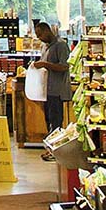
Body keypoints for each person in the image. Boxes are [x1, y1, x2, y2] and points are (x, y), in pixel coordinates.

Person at [33, 22, 72, 161]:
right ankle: (50, 149)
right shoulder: (45, 46)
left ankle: (56, 152)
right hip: (47, 90)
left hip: (57, 90)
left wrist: (45, 64)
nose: (40, 38)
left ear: (47, 30)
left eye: (40, 34)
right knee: (49, 120)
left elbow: (64, 66)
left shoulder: (61, 45)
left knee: (56, 121)